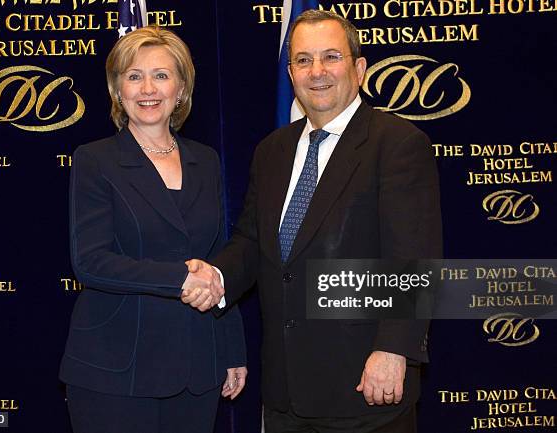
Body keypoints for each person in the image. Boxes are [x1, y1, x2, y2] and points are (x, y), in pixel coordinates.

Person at [184, 9, 441, 433]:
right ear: (290, 72)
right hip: (286, 393)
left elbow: (414, 261)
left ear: (358, 68)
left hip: (365, 387)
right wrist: (216, 275)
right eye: (303, 60)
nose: (316, 71)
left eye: (331, 57)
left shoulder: (397, 144)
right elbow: (251, 242)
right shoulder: (272, 151)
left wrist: (394, 350)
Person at [59, 26, 247, 433]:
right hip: (116, 368)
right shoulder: (95, 160)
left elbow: (219, 259)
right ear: (117, 89)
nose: (148, 88)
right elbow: (91, 262)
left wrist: (232, 350)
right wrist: (179, 278)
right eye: (134, 76)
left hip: (199, 367)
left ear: (181, 88)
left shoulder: (206, 160)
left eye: (161, 75)